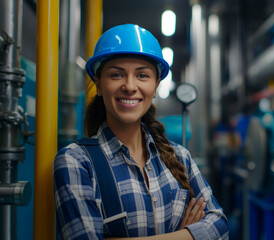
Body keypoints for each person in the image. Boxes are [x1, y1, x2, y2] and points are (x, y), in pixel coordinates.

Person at [53, 24, 229, 240]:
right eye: (116, 75)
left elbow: (220, 226)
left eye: (142, 75)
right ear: (98, 84)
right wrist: (186, 235)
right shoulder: (76, 162)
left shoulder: (180, 157)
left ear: (155, 86)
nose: (129, 86)